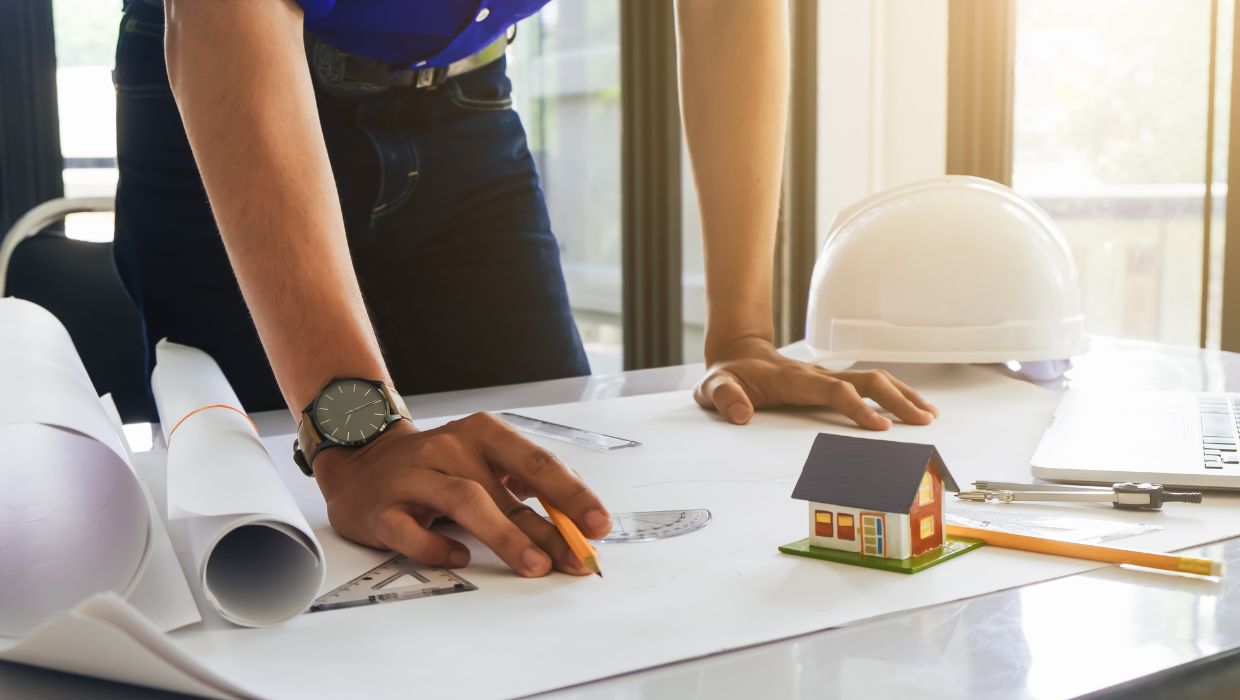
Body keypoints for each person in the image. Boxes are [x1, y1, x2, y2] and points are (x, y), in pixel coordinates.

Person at [113, 0, 939, 580]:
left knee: (546, 506)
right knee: (268, 541)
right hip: (231, 87)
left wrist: (743, 336)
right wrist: (356, 435)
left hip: (465, 105)